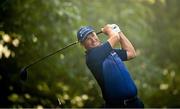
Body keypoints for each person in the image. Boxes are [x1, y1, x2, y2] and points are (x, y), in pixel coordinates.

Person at [77, 24, 144, 108]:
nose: (93, 39)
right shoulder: (92, 57)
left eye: (93, 35)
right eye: (88, 39)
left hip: (135, 104)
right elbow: (115, 37)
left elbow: (131, 53)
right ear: (83, 44)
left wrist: (118, 31)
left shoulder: (108, 51)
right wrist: (109, 30)